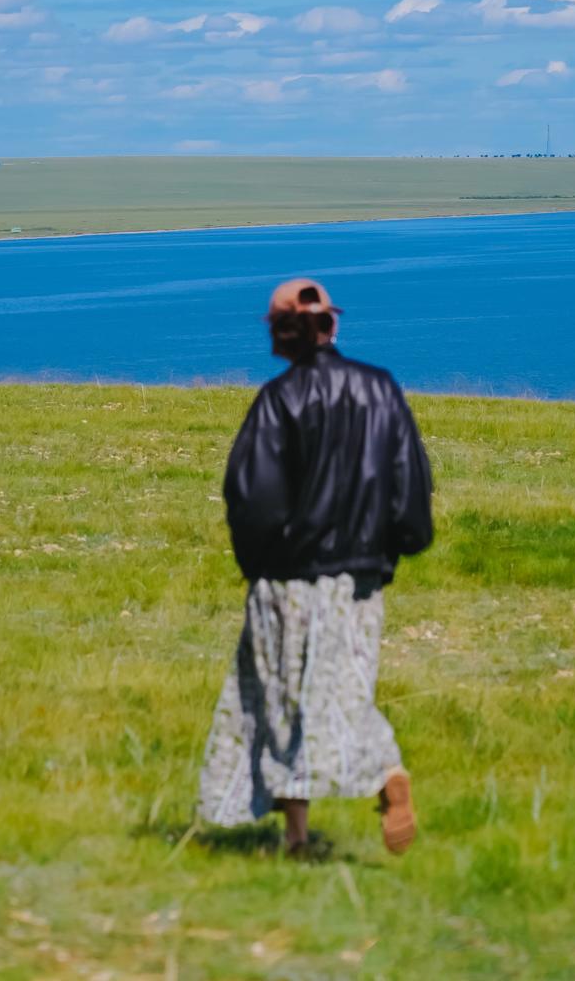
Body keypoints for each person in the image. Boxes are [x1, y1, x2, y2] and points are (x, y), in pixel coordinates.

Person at [198, 278, 433, 858]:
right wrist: (393, 552)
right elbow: (411, 495)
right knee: (348, 691)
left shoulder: (278, 401)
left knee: (282, 698)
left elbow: (250, 499)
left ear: (280, 333)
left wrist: (258, 566)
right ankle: (386, 777)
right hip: (360, 580)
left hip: (288, 580)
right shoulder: (381, 390)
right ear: (332, 326)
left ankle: (299, 836)